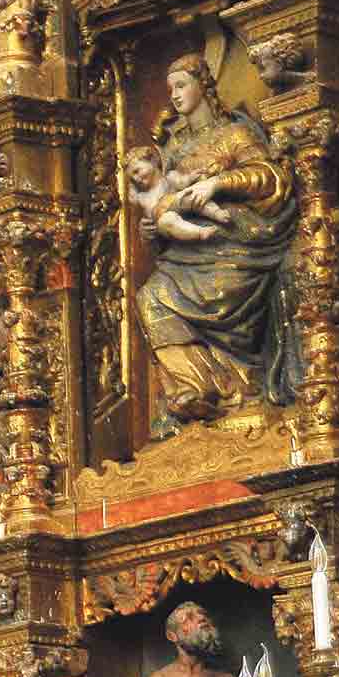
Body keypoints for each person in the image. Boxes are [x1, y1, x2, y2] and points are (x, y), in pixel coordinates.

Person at [133, 54, 300, 422]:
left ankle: (239, 384)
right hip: (189, 254)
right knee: (150, 297)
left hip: (238, 244)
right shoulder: (173, 150)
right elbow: (164, 207)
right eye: (170, 89)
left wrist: (217, 182)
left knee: (220, 294)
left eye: (181, 85)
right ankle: (196, 389)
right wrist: (152, 233)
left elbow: (269, 177)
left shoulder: (234, 134)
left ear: (203, 85)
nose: (174, 96)